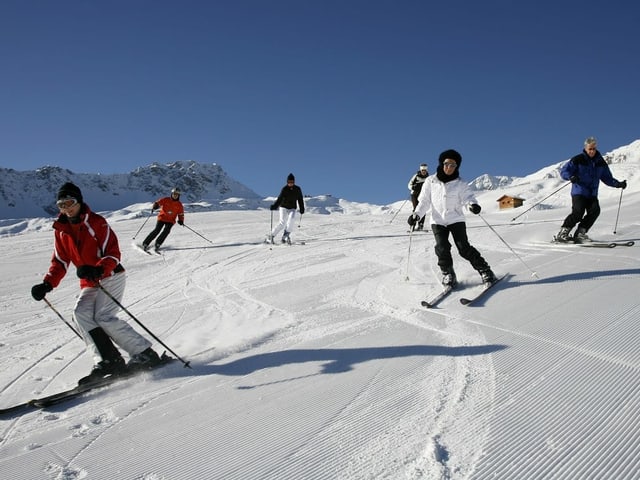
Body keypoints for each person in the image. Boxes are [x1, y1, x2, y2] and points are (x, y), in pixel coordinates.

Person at [31, 182, 161, 385]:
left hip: (111, 276)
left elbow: (113, 253)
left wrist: (99, 269)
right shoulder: (61, 230)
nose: (66, 208)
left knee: (103, 316)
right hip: (89, 281)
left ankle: (145, 353)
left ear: (79, 201)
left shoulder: (96, 222)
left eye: (70, 202)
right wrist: (47, 284)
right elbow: (60, 261)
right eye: (61, 205)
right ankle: (108, 360)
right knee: (80, 314)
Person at [408, 149, 496, 287]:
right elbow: (424, 201)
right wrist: (416, 214)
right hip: (438, 221)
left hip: (456, 219)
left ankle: (485, 271)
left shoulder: (460, 183)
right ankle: (448, 273)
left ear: (457, 167)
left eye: (453, 165)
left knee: (464, 248)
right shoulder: (431, 181)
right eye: (447, 164)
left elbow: (468, 198)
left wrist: (473, 205)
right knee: (442, 248)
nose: (449, 167)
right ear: (442, 163)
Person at [555, 137, 627, 243]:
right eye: (590, 149)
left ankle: (580, 233)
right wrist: (571, 177)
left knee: (595, 211)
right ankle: (563, 233)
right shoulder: (578, 159)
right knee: (578, 212)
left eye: (593, 149)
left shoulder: (600, 162)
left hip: (592, 194)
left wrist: (618, 184)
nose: (592, 151)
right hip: (579, 192)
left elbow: (607, 178)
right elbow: (565, 170)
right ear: (585, 148)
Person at [142, 187, 185, 252]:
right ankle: (146, 243)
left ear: (178, 196)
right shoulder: (166, 199)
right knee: (157, 230)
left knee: (166, 231)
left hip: (170, 220)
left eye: (177, 194)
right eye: (174, 194)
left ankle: (158, 243)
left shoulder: (179, 205)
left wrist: (181, 220)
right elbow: (158, 202)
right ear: (171, 194)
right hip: (162, 218)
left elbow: (181, 214)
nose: (175, 195)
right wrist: (155, 205)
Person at [269, 173, 305, 244]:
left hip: (292, 208)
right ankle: (271, 236)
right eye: (289, 182)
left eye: (292, 182)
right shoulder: (284, 189)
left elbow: (300, 199)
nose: (290, 183)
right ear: (287, 182)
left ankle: (286, 235)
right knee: (282, 223)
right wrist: (275, 206)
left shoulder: (297, 189)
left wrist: (302, 208)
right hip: (283, 207)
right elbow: (279, 199)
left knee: (291, 220)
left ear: (294, 182)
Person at [407, 163, 429, 230]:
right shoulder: (416, 176)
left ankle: (420, 225)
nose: (423, 171)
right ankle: (413, 225)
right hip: (414, 194)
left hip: (423, 195)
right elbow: (409, 184)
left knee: (422, 208)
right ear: (420, 170)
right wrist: (413, 187)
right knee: (415, 209)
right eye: (422, 170)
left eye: (425, 170)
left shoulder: (428, 178)